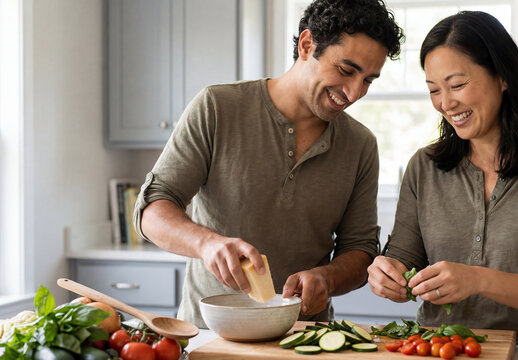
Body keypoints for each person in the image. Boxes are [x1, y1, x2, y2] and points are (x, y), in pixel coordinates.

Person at [133, 0, 404, 328]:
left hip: (304, 338)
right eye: (346, 70)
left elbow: (360, 251)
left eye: (368, 80)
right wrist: (207, 244)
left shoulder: (360, 145)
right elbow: (151, 211)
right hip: (210, 335)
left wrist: (327, 278)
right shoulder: (218, 107)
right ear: (307, 45)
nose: (353, 92)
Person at [367, 11, 518, 346]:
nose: (445, 103)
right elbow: (405, 266)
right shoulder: (424, 166)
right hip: (439, 349)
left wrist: (476, 279)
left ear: (503, 77)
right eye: (434, 90)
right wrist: (388, 276)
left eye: (458, 84)